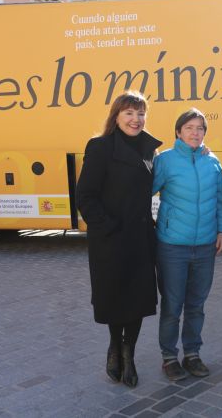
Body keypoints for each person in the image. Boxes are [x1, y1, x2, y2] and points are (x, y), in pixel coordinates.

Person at [76, 91, 161, 388]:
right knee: (115, 298)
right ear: (116, 116)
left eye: (140, 114)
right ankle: (115, 345)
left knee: (137, 300)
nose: (136, 120)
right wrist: (106, 226)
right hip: (110, 240)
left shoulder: (151, 149)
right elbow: (85, 196)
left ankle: (130, 352)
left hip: (140, 239)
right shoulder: (100, 147)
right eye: (129, 113)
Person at [152, 108, 222, 381]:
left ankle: (192, 354)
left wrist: (221, 230)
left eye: (200, 129)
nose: (195, 133)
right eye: (189, 128)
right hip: (172, 246)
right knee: (172, 305)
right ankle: (169, 357)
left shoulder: (212, 162)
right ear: (178, 132)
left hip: (206, 246)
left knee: (196, 304)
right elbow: (142, 192)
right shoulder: (166, 161)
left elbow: (219, 199)